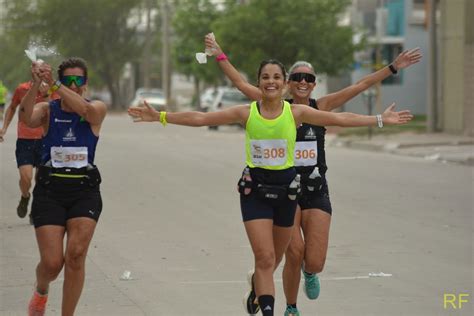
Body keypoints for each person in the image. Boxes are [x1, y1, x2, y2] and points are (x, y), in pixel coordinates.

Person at [129, 59, 413, 316]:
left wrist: (379, 118)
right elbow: (202, 117)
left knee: (280, 259)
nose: (273, 82)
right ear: (265, 82)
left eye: (278, 77)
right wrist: (162, 116)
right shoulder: (250, 109)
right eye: (266, 77)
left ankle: (275, 283)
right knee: (269, 257)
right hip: (259, 191)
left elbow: (341, 117)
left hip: (294, 191)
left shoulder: (301, 112)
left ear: (285, 81)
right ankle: (281, 309)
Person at [204, 34, 422, 316]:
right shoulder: (271, 104)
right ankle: (290, 307)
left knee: (314, 261)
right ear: (287, 83)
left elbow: (359, 86)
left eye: (309, 78)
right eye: (297, 77)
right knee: (290, 253)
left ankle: (305, 274)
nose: (303, 82)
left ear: (314, 83)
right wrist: (220, 54)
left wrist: (392, 68)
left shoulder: (320, 108)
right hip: (287, 190)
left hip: (316, 190)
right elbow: (239, 82)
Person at [21, 57, 107, 316]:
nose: (73, 84)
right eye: (68, 79)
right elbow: (27, 120)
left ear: (86, 83)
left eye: (77, 80)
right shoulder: (49, 109)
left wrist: (57, 84)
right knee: (51, 263)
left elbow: (86, 112)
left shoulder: (97, 108)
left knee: (76, 255)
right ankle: (41, 289)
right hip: (50, 191)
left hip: (84, 190)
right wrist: (36, 85)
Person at [0, 80, 58, 224]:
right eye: (36, 69)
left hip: (44, 140)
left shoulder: (54, 89)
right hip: (25, 139)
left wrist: (47, 95)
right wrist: (4, 128)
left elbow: (57, 110)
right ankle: (25, 196)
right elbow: (13, 107)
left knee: (40, 179)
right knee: (26, 178)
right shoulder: (22, 88)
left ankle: (35, 208)